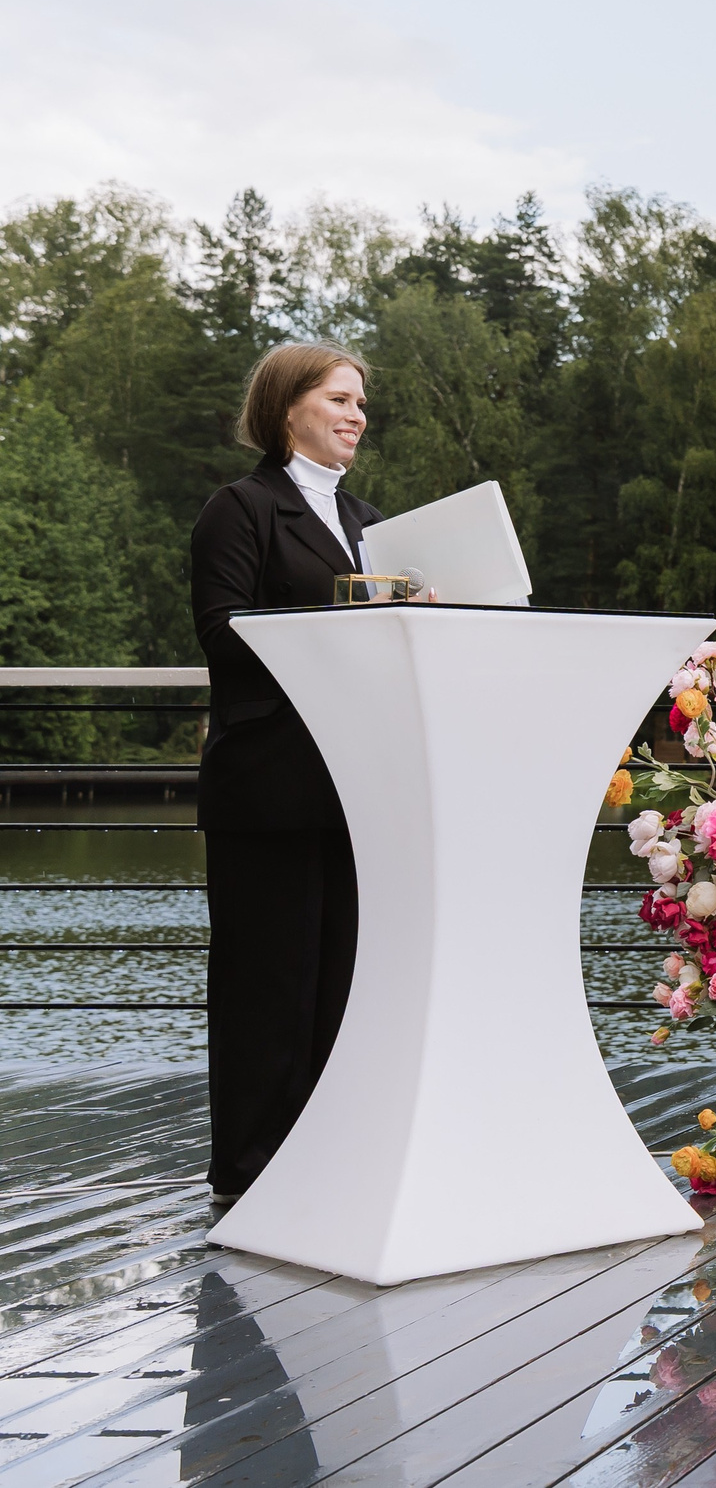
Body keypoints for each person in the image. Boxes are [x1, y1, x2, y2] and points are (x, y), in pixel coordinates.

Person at [190, 342, 383, 1204]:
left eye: (361, 403)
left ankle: (320, 1169)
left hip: (356, 789)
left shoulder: (370, 521)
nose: (356, 415)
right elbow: (223, 631)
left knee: (338, 986)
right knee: (263, 987)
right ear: (286, 408)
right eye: (338, 398)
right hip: (267, 789)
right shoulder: (241, 509)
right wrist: (351, 616)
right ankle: (246, 1180)